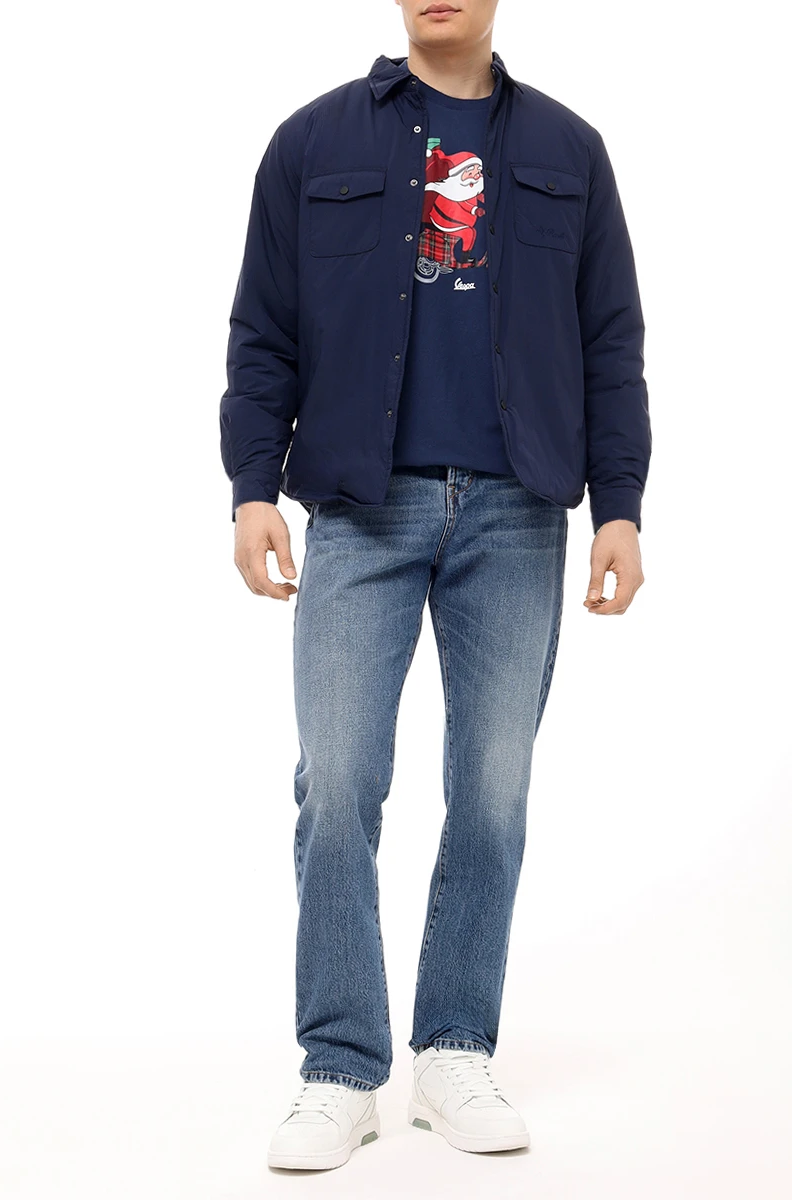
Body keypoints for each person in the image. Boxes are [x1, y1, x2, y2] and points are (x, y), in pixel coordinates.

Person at [219, 0, 650, 1172]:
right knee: (339, 780)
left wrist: (620, 504)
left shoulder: (567, 149)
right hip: (360, 508)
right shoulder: (313, 142)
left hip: (519, 512)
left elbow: (610, 338)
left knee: (493, 792)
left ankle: (455, 1048)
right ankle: (340, 1066)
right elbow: (263, 330)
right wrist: (253, 486)